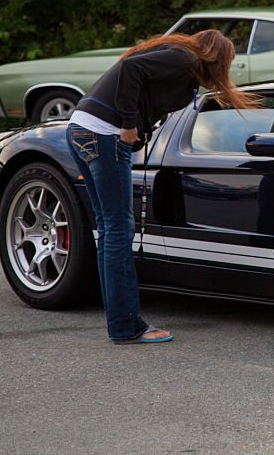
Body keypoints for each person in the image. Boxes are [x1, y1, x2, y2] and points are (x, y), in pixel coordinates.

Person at [66, 30, 258, 344]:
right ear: (216, 56)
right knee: (118, 229)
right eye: (228, 63)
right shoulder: (185, 57)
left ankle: (121, 322)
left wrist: (138, 129)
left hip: (83, 130)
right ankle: (127, 326)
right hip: (105, 135)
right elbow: (131, 71)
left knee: (110, 229)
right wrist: (129, 124)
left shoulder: (181, 61)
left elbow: (142, 87)